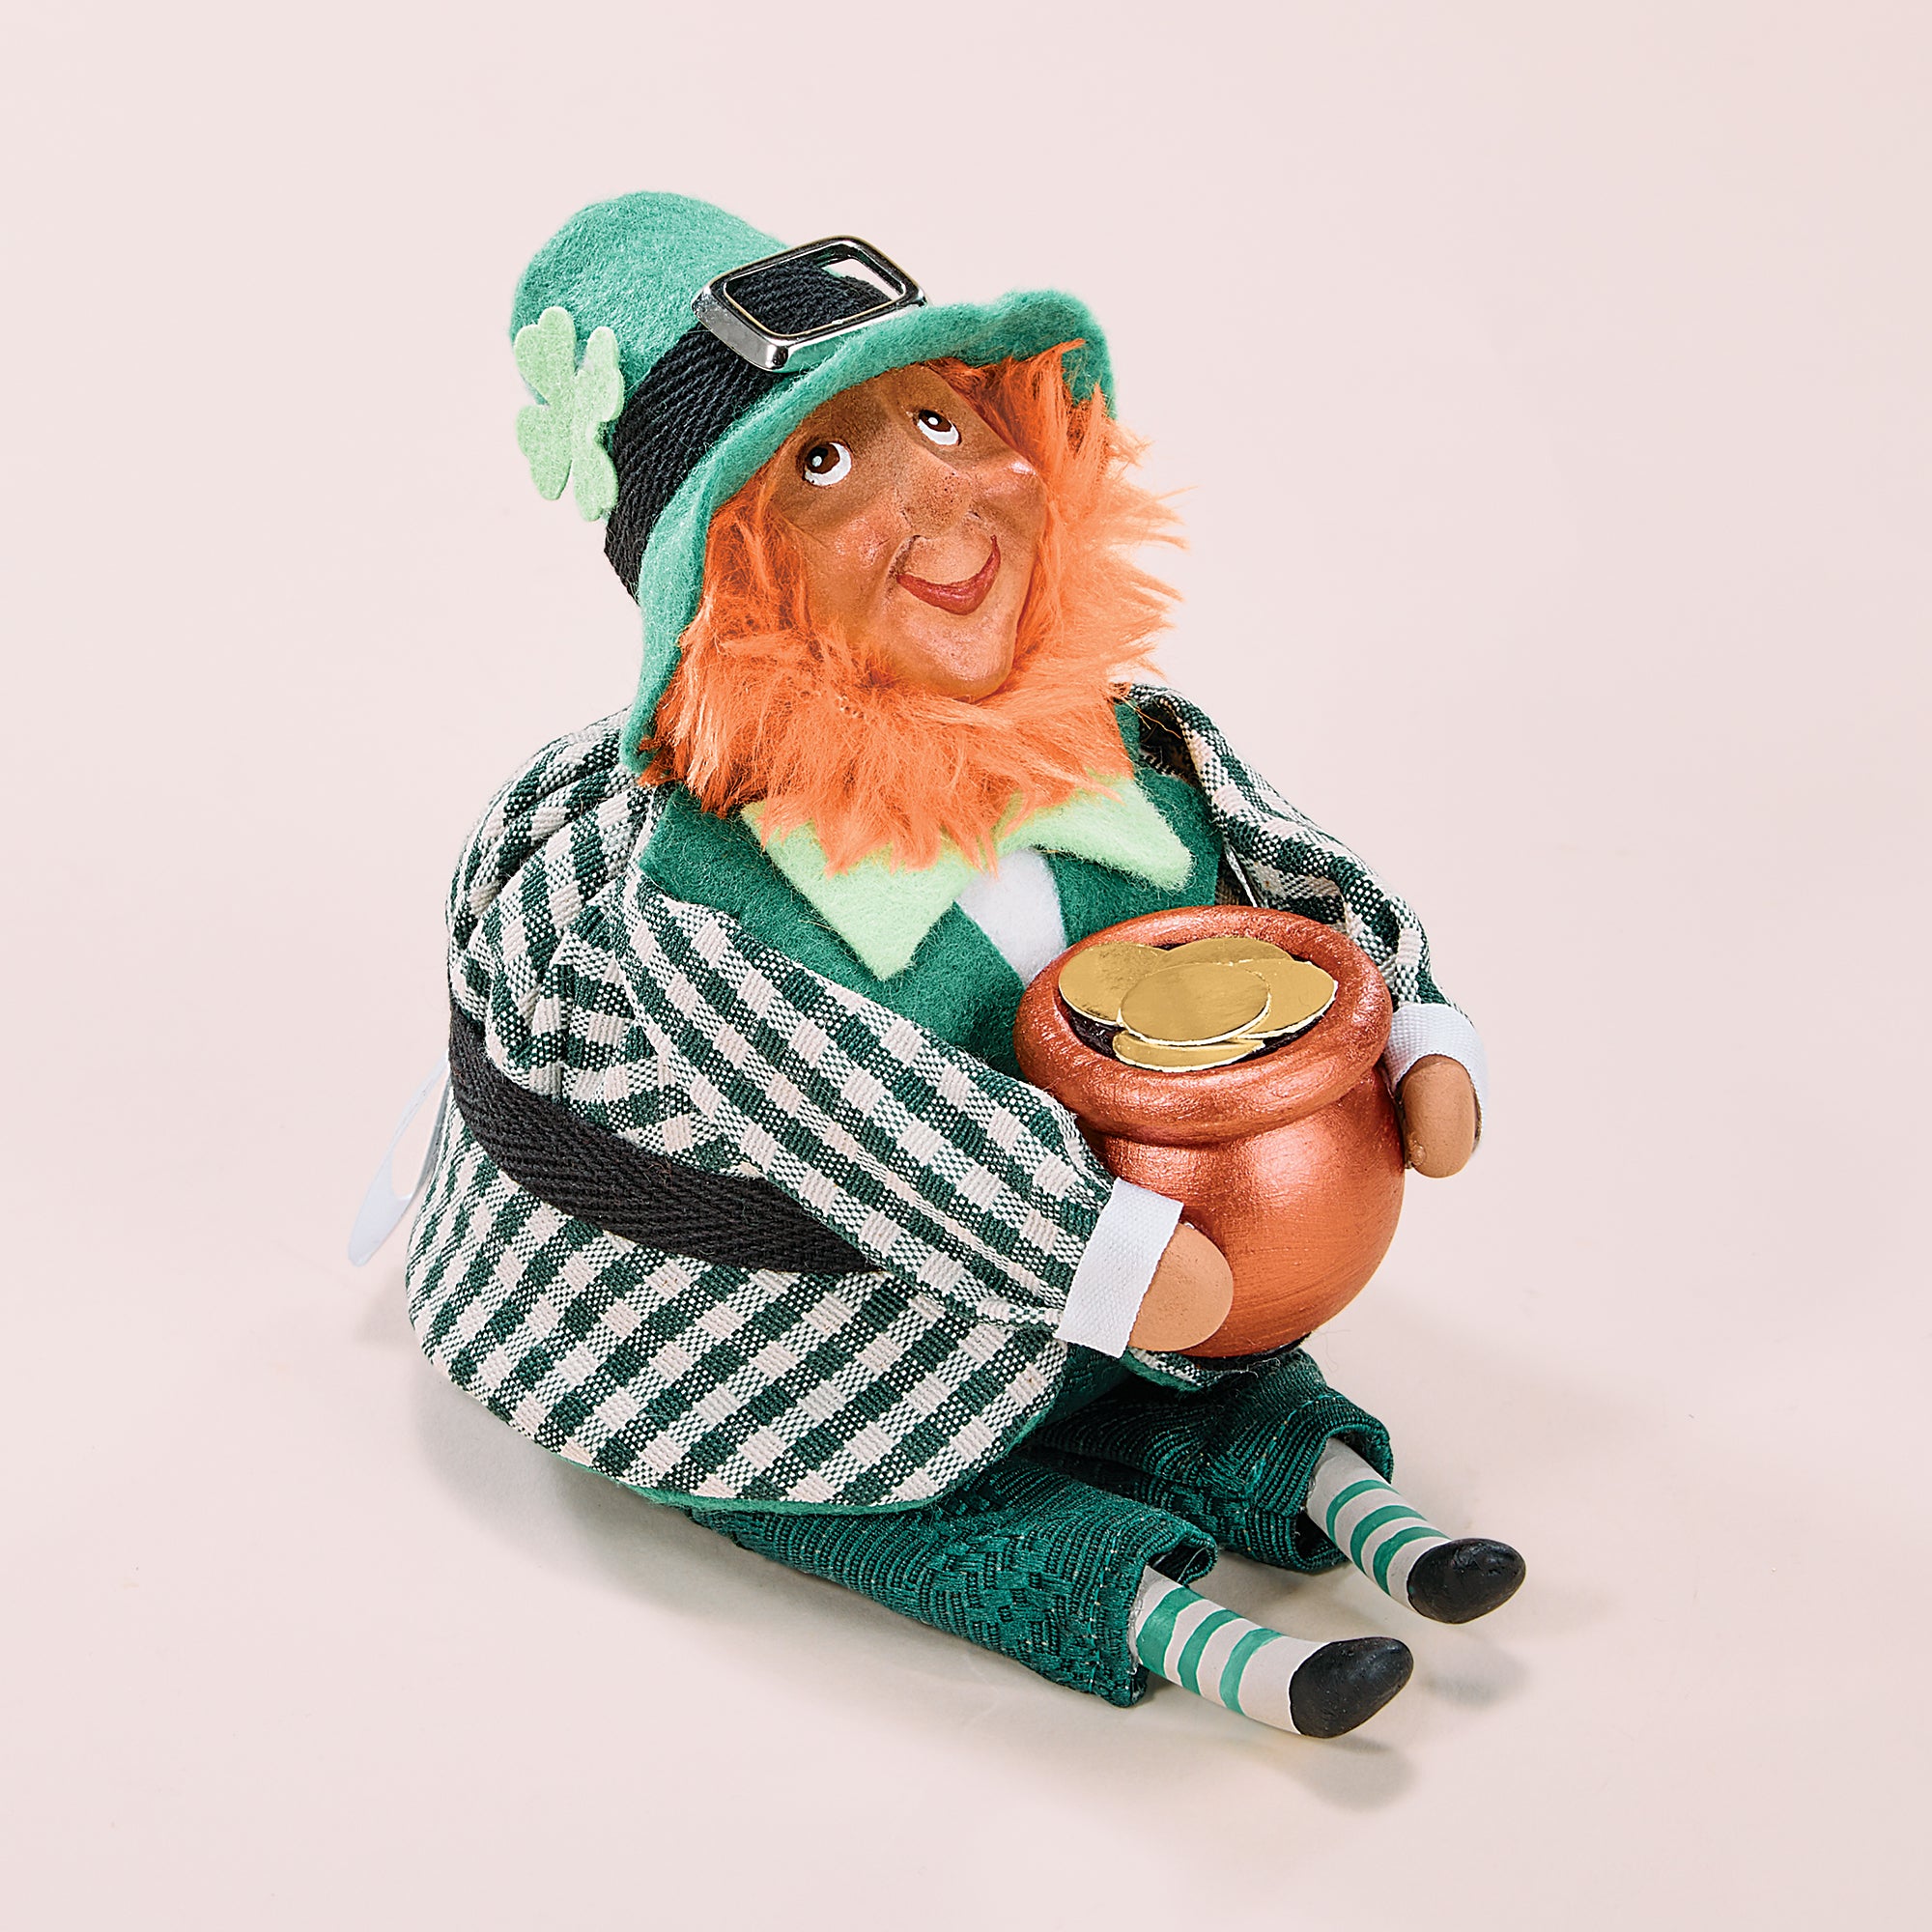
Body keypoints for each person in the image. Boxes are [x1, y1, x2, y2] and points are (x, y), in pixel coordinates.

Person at [401, 193, 1522, 1739]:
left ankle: (1326, 1483)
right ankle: (1134, 1605)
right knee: (895, 1494)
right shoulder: (709, 916)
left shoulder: (1115, 744)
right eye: (823, 464)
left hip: (1153, 1283)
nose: (944, 498)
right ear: (727, 575)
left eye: (940, 418)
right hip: (795, 1345)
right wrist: (1098, 1257)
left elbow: (1291, 869)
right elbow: (875, 1112)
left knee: (1218, 1377)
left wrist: (1416, 1034)